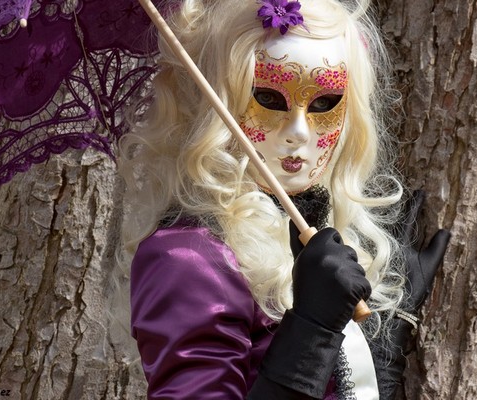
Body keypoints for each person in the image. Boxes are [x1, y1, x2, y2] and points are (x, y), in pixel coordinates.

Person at [116, 0, 449, 398]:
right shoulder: (188, 258)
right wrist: (311, 330)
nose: (299, 132)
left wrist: (376, 352)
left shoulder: (316, 232)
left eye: (324, 103)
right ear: (217, 106)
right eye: (270, 99)